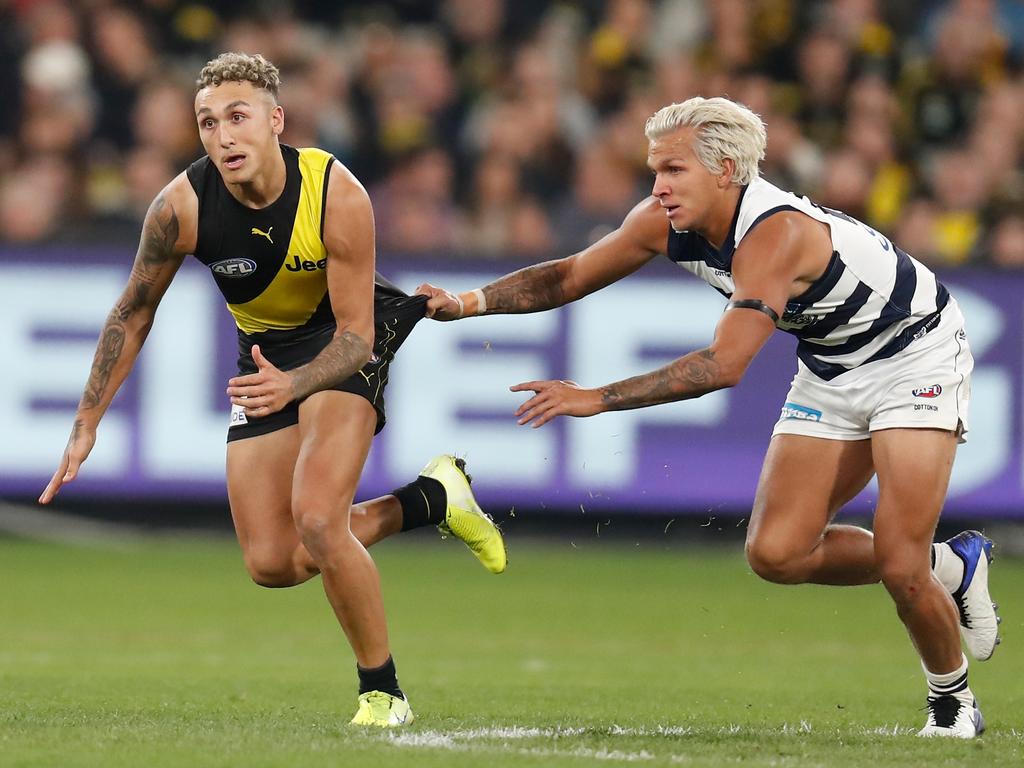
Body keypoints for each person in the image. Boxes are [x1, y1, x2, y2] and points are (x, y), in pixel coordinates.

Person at [418, 96, 1000, 738]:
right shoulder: (662, 220)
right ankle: (954, 566)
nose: (659, 187)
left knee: (898, 563)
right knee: (777, 554)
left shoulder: (773, 234)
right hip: (832, 364)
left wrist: (597, 397)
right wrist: (467, 303)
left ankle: (952, 704)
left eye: (673, 171)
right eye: (654, 172)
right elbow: (568, 277)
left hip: (916, 354)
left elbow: (726, 365)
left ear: (725, 171)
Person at [38, 52, 507, 728]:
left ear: (275, 121)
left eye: (237, 117)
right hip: (269, 356)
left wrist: (293, 386)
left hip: (348, 340)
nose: (222, 136)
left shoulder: (335, 191)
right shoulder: (181, 207)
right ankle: (435, 498)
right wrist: (87, 422)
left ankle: (383, 694)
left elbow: (353, 339)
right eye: (206, 123)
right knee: (272, 564)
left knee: (318, 519)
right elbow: (132, 311)